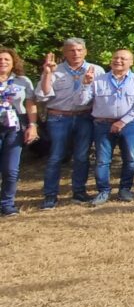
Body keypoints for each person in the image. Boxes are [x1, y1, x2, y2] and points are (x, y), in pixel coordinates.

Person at [76, 49, 134, 205]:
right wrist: (85, 84)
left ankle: (125, 190)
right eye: (116, 57)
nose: (119, 61)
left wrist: (122, 122)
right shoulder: (97, 80)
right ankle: (103, 191)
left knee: (130, 159)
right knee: (102, 160)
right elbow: (81, 102)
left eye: (124, 59)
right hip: (102, 125)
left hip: (129, 125)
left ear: (131, 62)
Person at [35, 38, 102, 209]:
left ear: (85, 52)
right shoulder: (54, 70)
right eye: (71, 50)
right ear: (64, 53)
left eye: (79, 50)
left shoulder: (97, 70)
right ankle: (50, 196)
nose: (76, 53)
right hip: (59, 118)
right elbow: (42, 96)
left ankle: (79, 193)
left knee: (81, 156)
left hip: (84, 118)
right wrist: (47, 74)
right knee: (56, 157)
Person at [0, 47, 39, 217]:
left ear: (13, 62)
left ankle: (7, 204)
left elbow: (30, 104)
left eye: (6, 59)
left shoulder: (23, 81)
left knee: (11, 169)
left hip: (15, 127)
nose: (2, 62)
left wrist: (33, 125)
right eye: (0, 59)